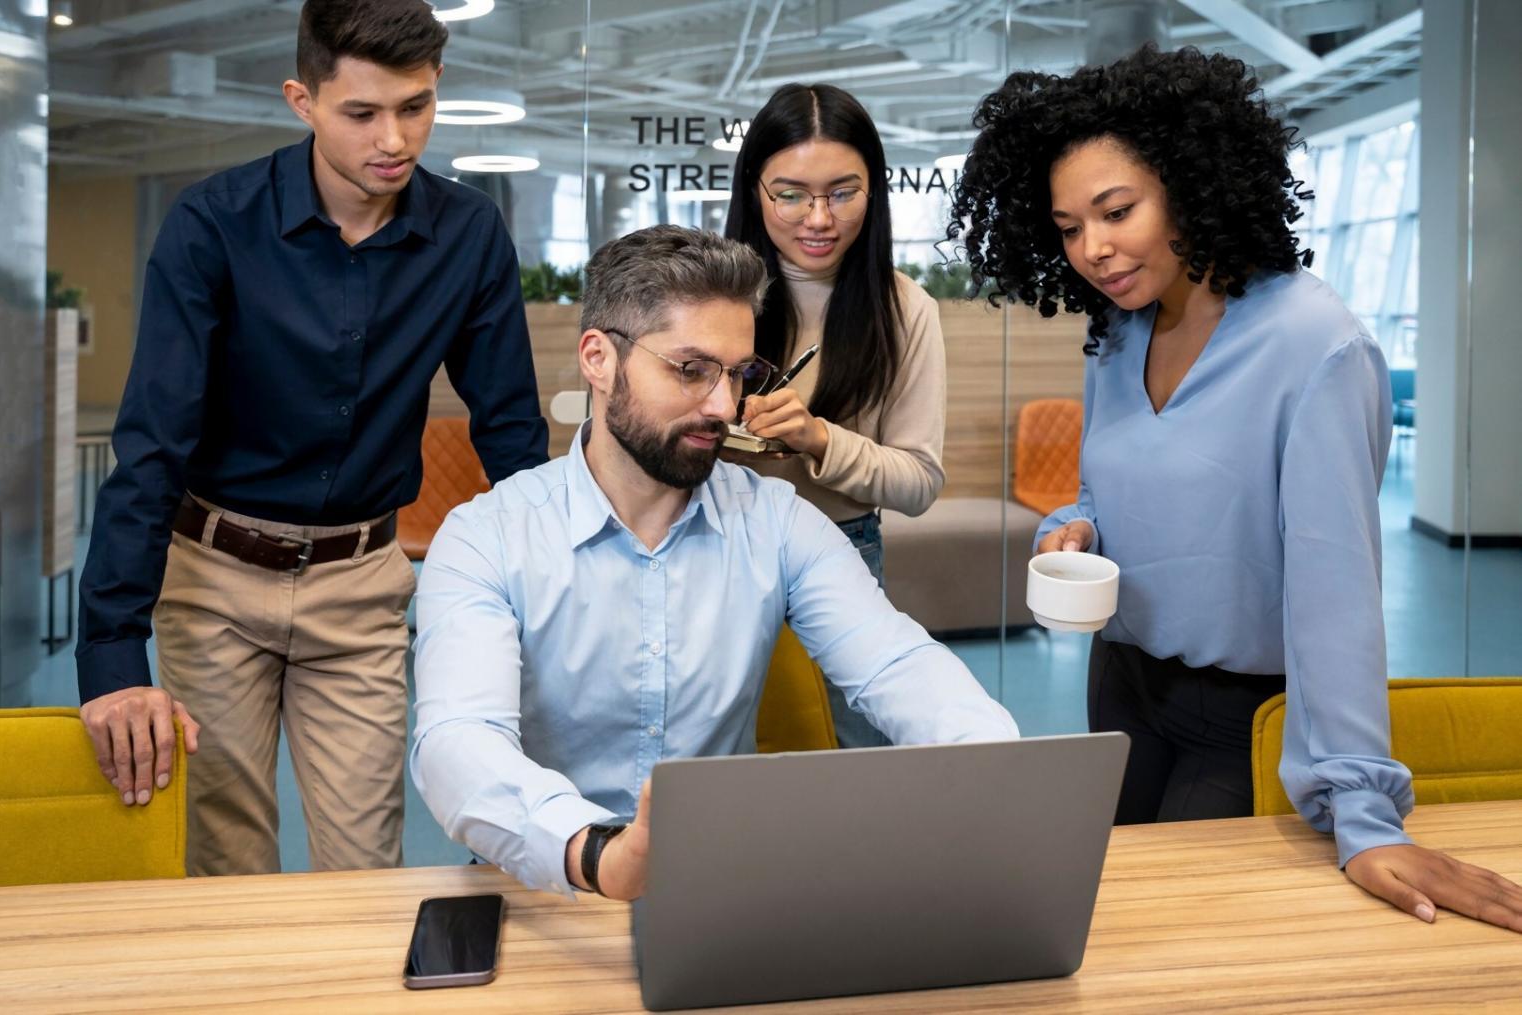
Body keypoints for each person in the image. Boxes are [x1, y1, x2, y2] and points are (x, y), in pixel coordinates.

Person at [949, 44, 1522, 932]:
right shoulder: (1117, 330)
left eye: (1116, 211)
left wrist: (1362, 817)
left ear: (1189, 183)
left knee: (1183, 939)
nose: (1092, 250)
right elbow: (1107, 492)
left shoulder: (1314, 345)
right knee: (1097, 927)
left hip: (1239, 713)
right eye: (1067, 227)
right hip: (1120, 684)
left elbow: (1334, 594)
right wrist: (1073, 528)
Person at [74, 0, 548, 876]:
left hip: (361, 585)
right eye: (361, 112)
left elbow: (512, 433)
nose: (394, 139)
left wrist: (559, 595)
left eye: (415, 107)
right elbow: (153, 443)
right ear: (302, 99)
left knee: (365, 868)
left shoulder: (467, 233)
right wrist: (109, 652)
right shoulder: (213, 224)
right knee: (225, 864)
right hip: (212, 579)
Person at [409, 225, 1019, 899]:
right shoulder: (487, 537)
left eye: (737, 374)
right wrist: (598, 854)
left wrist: (1000, 770)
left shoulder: (777, 522)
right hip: (545, 887)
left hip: (713, 892)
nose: (725, 407)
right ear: (598, 359)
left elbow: (899, 665)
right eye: (690, 369)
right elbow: (457, 743)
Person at [725, 83, 950, 749]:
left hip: (840, 550)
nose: (818, 217)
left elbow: (918, 481)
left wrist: (816, 438)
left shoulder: (904, 309)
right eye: (790, 193)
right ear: (754, 189)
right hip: (712, 544)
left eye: (842, 192)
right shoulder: (705, 291)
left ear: (873, 190)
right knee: (716, 753)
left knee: (853, 757)